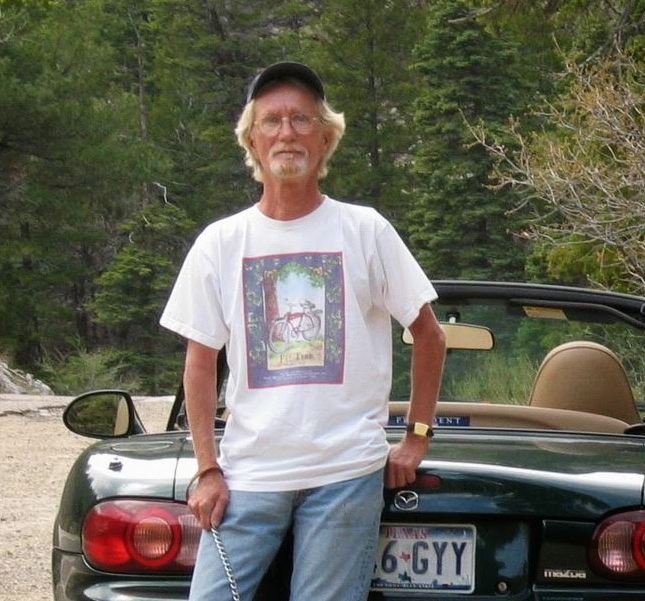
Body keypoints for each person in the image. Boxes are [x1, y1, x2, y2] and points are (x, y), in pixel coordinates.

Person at [159, 61, 446, 601]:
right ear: (251, 139)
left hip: (346, 474)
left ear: (326, 137)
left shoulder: (366, 230)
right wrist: (207, 469)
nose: (286, 132)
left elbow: (429, 334)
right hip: (247, 476)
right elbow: (200, 362)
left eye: (301, 119)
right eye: (271, 121)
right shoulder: (220, 243)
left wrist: (417, 437)